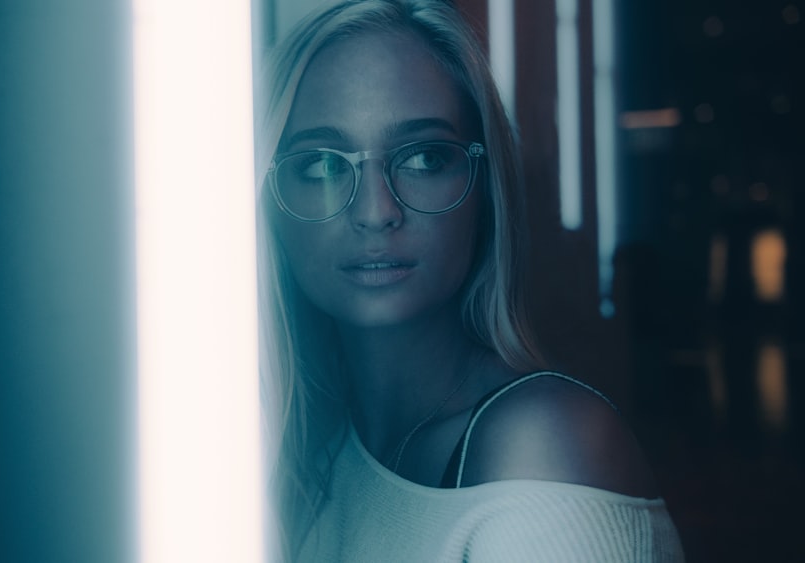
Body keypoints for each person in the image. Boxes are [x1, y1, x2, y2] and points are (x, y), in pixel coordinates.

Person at [255, 1, 684, 560]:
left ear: (484, 187)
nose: (376, 211)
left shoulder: (546, 447)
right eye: (322, 164)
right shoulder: (299, 447)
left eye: (424, 157)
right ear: (267, 198)